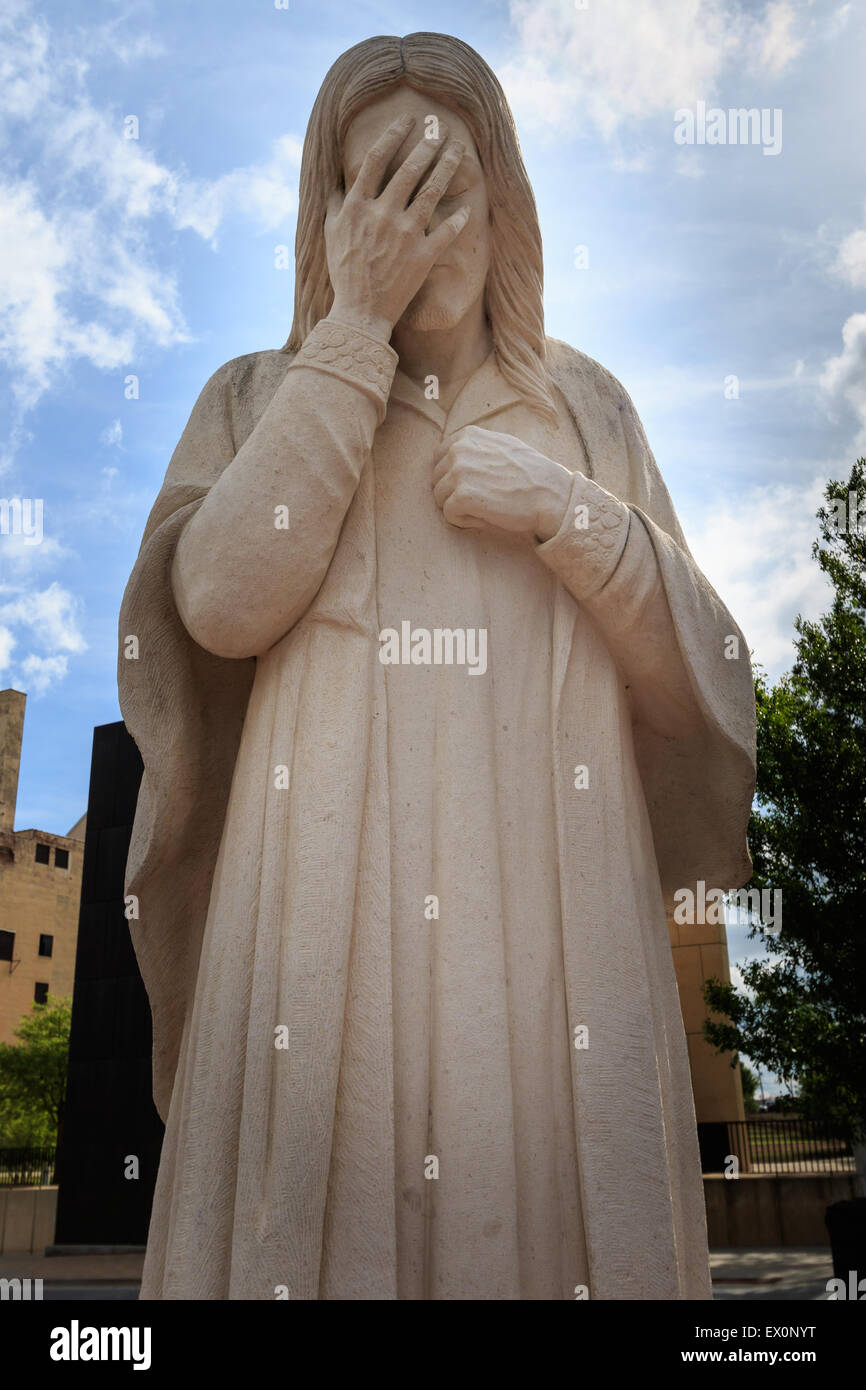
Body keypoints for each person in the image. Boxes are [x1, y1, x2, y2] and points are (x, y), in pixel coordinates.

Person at [119, 32, 756, 1300]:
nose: (418, 226)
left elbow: (706, 679)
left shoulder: (586, 410)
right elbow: (221, 604)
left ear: (504, 201)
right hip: (317, 904)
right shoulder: (259, 397)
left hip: (552, 907)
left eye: (446, 186)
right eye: (380, 191)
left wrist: (566, 513)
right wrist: (349, 341)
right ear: (334, 214)